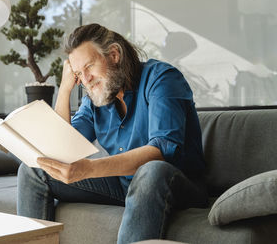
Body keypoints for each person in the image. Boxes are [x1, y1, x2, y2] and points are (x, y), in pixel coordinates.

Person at [17, 23, 208, 243]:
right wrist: (65, 89)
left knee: (151, 170)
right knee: (35, 170)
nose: (85, 79)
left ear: (114, 55)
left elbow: (162, 150)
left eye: (89, 66)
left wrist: (88, 169)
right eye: (79, 73)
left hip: (179, 184)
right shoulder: (96, 98)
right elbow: (62, 147)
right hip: (124, 185)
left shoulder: (161, 78)